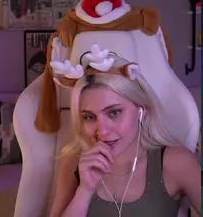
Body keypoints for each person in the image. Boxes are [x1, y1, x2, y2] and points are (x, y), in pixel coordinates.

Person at [48, 57, 201, 217]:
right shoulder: (74, 163)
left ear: (141, 111)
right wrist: (85, 191)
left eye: (114, 113)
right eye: (89, 117)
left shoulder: (176, 162)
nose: (102, 131)